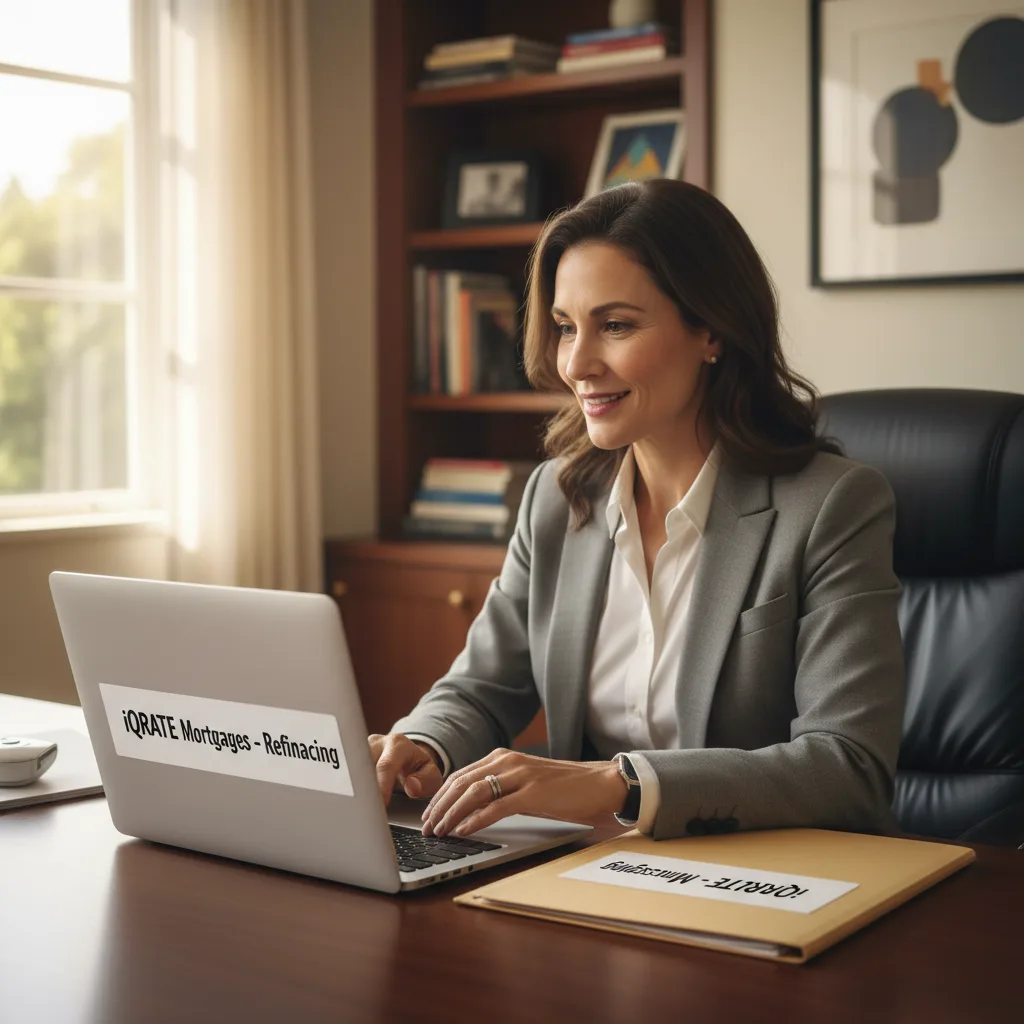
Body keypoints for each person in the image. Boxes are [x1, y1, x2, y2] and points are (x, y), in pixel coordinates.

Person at [369, 179, 905, 842]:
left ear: (711, 329)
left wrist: (619, 784)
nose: (577, 364)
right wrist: (423, 742)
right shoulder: (556, 498)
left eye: (615, 325)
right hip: (591, 866)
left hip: (764, 872)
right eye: (566, 328)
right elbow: (482, 686)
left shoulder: (830, 506)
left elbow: (848, 764)